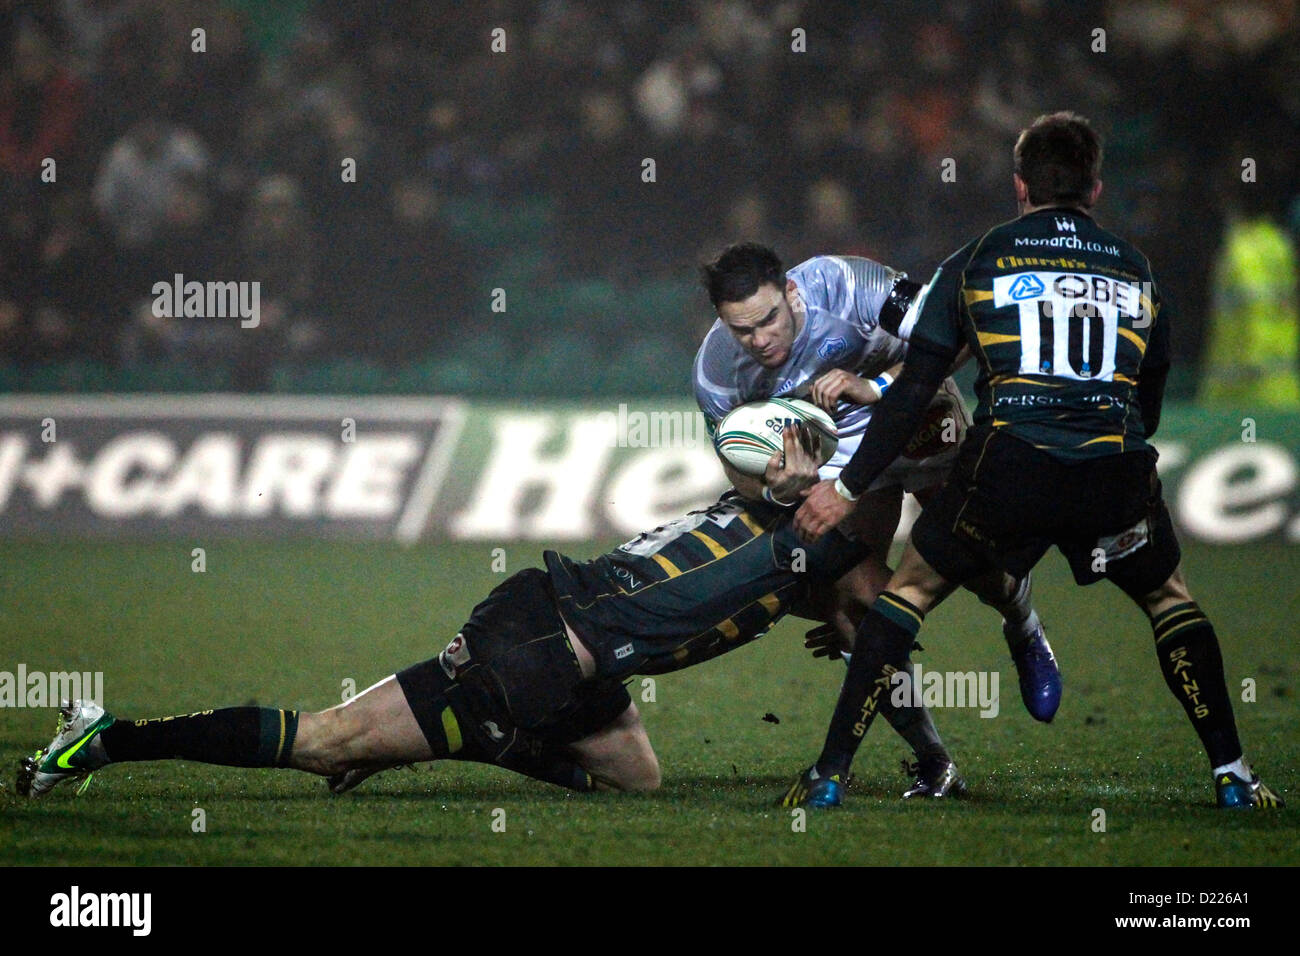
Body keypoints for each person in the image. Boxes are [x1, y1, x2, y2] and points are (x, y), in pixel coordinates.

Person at [782, 111, 1284, 810]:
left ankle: (829, 775)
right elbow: (1153, 395)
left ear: (1020, 186)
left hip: (1009, 465)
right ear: (1097, 189)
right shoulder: (1136, 269)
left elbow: (917, 391)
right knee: (1169, 598)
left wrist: (849, 485)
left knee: (908, 595)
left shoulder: (980, 257)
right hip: (1113, 467)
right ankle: (1232, 773)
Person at [19, 466, 908, 801]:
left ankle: (489, 739)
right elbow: (845, 589)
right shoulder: (766, 551)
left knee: (637, 776)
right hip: (529, 649)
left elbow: (845, 598)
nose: (847, 511)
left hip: (568, 653)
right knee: (329, 745)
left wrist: (839, 614)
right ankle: (109, 740)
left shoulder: (762, 540)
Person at [694, 243, 1064, 795]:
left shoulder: (845, 285)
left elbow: (958, 328)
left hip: (914, 415)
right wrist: (775, 488)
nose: (760, 339)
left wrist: (879, 384)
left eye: (769, 318)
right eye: (741, 329)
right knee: (854, 605)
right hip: (838, 458)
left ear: (791, 292)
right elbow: (737, 468)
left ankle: (1023, 623)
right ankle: (933, 759)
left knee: (979, 564)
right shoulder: (717, 371)